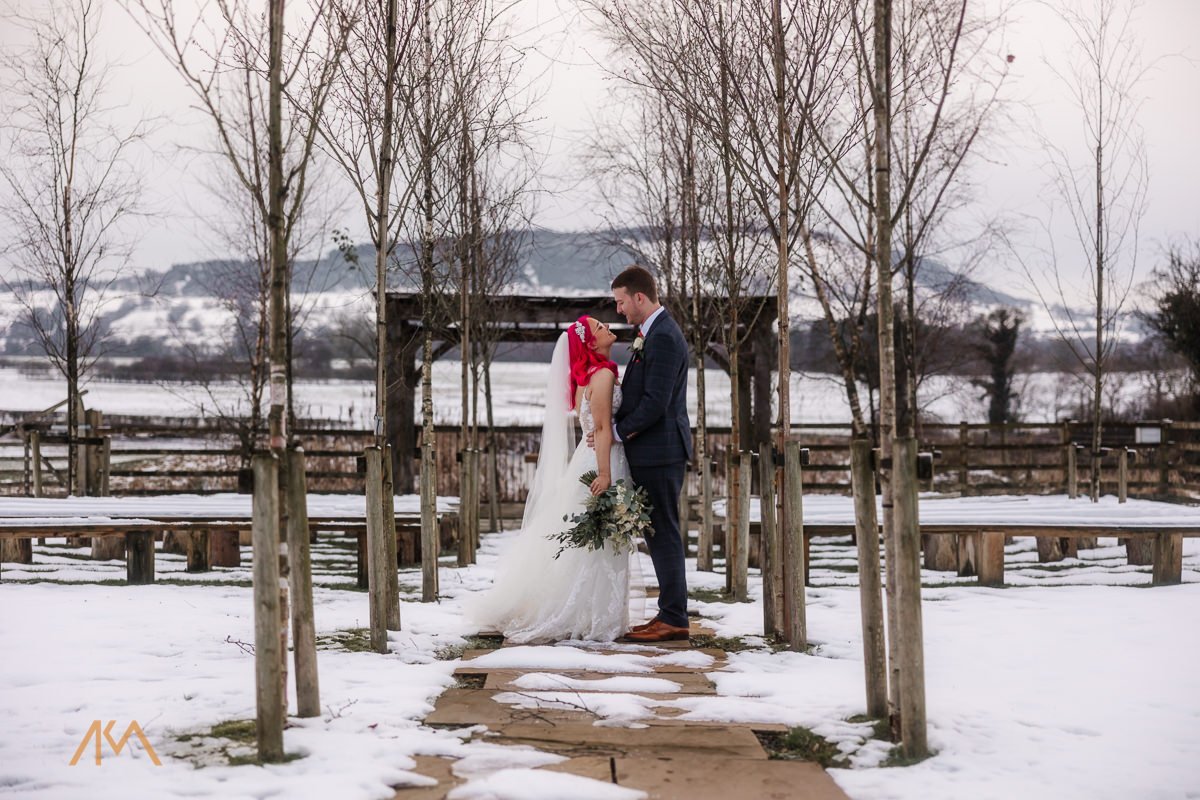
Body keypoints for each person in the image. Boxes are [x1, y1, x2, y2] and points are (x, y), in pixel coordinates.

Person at [463, 315, 636, 643]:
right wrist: (604, 473)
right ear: (590, 343)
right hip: (602, 461)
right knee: (600, 538)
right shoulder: (602, 375)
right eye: (599, 327)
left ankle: (600, 613)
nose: (607, 327)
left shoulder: (588, 377)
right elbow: (600, 429)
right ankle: (595, 616)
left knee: (597, 539)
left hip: (593, 457)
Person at [605, 265, 693, 643]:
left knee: (665, 534)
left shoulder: (664, 338)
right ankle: (669, 613)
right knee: (658, 534)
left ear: (640, 297)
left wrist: (615, 433)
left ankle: (674, 617)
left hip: (661, 451)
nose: (619, 310)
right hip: (654, 451)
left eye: (622, 302)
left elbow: (656, 403)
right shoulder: (651, 333)